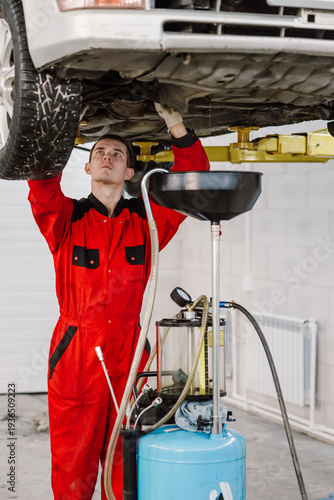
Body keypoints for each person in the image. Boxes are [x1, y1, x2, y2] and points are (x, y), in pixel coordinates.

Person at [28, 103, 210, 500]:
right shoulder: (65, 219)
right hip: (76, 352)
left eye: (117, 154)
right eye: (99, 153)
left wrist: (175, 124)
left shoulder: (146, 224)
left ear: (130, 173)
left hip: (130, 350)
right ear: (88, 168)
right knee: (72, 462)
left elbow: (192, 179)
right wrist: (64, 126)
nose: (107, 157)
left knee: (128, 458)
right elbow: (41, 185)